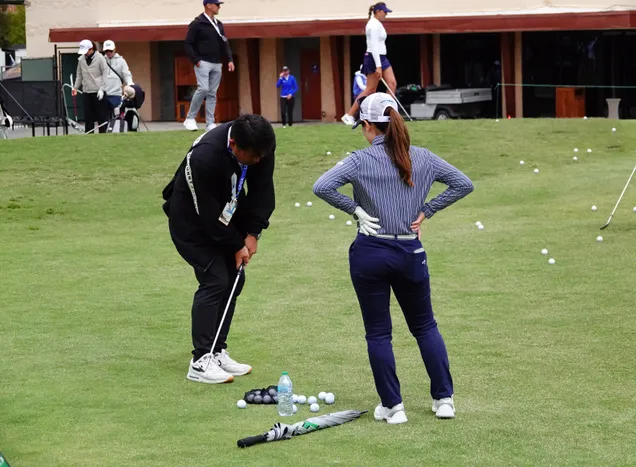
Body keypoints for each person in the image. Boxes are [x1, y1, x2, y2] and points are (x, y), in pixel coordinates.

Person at [313, 93, 474, 423]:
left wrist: (355, 210)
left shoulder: (359, 160)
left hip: (370, 252)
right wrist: (427, 210)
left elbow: (322, 186)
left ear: (369, 126)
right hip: (410, 253)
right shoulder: (423, 157)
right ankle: (444, 400)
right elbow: (463, 183)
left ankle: (393, 407)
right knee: (425, 326)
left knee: (378, 333)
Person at [162, 114, 276, 384]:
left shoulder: (259, 144)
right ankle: (200, 362)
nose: (258, 161)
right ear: (233, 144)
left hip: (227, 212)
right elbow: (206, 214)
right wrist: (236, 245)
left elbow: (262, 189)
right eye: (253, 157)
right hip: (190, 221)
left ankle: (216, 351)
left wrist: (253, 232)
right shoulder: (204, 157)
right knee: (215, 279)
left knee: (235, 279)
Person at [183, 0, 236, 132]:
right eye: (217, 5)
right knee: (203, 89)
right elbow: (188, 43)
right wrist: (196, 60)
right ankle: (190, 118)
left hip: (217, 63)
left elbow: (225, 43)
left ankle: (210, 123)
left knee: (212, 93)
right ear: (208, 5)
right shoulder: (197, 23)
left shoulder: (218, 24)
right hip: (203, 62)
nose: (219, 7)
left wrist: (230, 59)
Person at [341, 3, 397, 126]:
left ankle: (388, 113)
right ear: (378, 11)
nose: (386, 14)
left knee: (392, 84)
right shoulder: (372, 25)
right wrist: (378, 66)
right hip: (373, 58)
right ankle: (349, 115)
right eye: (385, 12)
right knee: (370, 89)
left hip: (382, 57)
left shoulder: (378, 24)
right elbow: (374, 47)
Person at [72, 39, 109, 134]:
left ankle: (103, 135)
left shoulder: (100, 58)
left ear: (91, 49)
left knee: (101, 117)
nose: (85, 53)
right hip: (87, 91)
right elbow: (79, 75)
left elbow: (105, 74)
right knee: (88, 117)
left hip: (98, 92)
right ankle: (89, 134)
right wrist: (75, 87)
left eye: (86, 51)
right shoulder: (81, 60)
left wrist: (102, 89)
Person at [102, 40, 134, 118]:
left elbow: (126, 74)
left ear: (114, 49)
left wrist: (130, 84)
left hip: (116, 94)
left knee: (117, 117)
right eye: (106, 51)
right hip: (103, 94)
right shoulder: (101, 60)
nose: (108, 52)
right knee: (104, 118)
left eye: (110, 50)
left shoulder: (121, 61)